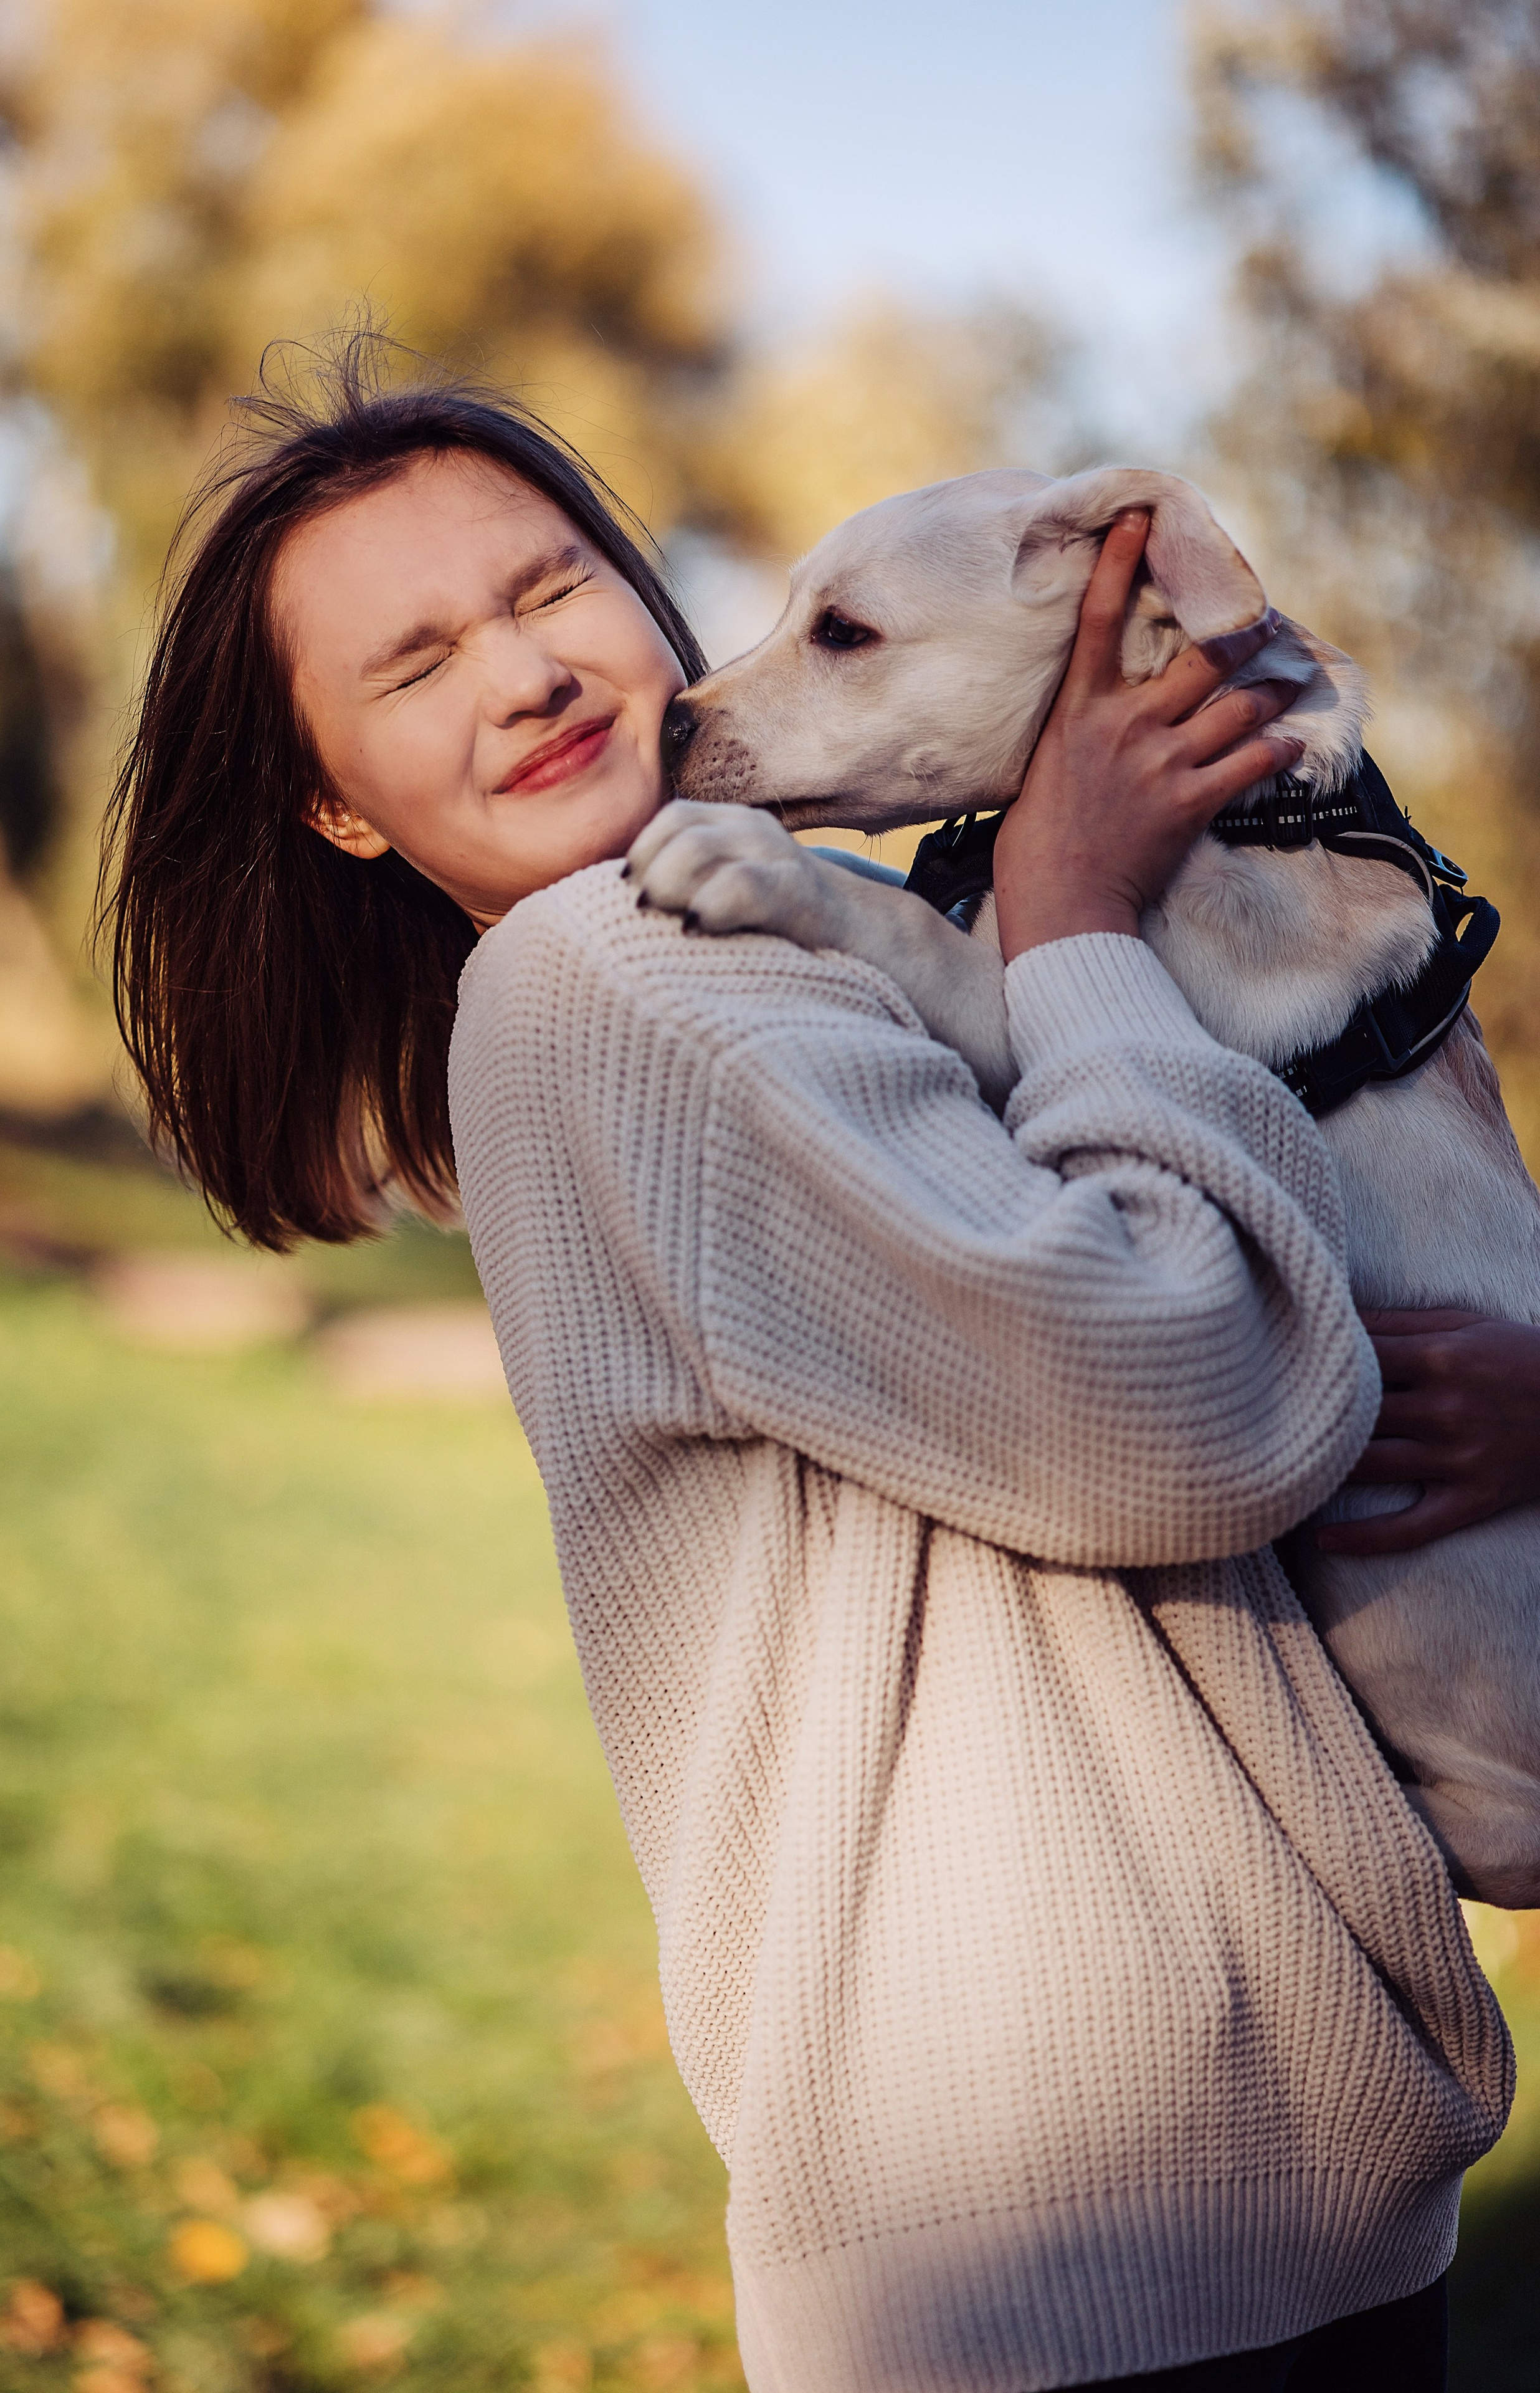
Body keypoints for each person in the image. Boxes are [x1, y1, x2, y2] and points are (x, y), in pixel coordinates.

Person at [103, 346, 1526, 2392]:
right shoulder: (613, 981)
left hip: (1193, 2184)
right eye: (412, 666)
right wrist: (1068, 919)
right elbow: (1198, 1410)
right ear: (332, 796)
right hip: (1081, 2229)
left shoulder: (774, 939)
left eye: (546, 585)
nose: (524, 673)